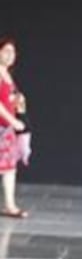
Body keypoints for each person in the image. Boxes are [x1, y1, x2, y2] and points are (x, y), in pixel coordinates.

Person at [0, 37, 28, 218]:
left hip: (6, 130)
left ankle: (10, 205)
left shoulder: (8, 75)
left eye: (13, 52)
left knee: (9, 167)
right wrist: (13, 121)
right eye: (6, 51)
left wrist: (19, 103)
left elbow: (12, 100)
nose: (10, 55)